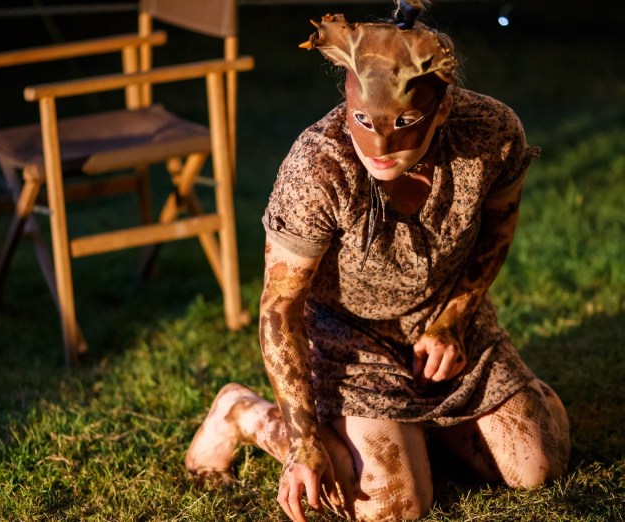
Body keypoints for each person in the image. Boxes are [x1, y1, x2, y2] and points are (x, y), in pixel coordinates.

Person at [185, 1, 570, 520]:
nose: (380, 145)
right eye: (363, 120)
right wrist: (302, 441)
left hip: (442, 324)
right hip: (350, 343)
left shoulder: (490, 133)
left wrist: (453, 321)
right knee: (395, 508)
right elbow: (280, 310)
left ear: (443, 108)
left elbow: (496, 235)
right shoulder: (318, 168)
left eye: (405, 122)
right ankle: (244, 412)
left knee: (539, 465)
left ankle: (420, 428)